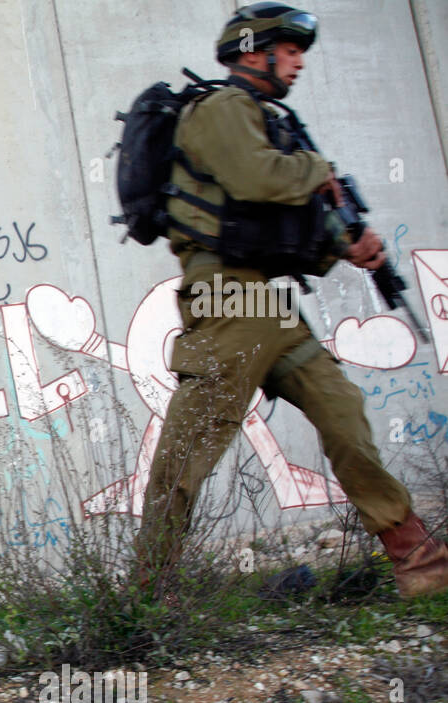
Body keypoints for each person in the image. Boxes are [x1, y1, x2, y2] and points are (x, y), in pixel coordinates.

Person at [134, 3, 448, 600]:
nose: (299, 63)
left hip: (269, 307)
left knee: (343, 414)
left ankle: (419, 560)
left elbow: (273, 225)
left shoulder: (266, 121)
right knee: (187, 453)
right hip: (230, 305)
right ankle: (151, 593)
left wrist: (346, 247)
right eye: (291, 50)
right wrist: (319, 169)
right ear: (254, 51)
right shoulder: (222, 109)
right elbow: (257, 179)